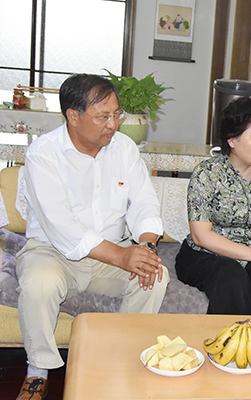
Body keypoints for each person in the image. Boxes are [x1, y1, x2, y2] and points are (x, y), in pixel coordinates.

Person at [15, 74, 169, 400]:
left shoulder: (124, 148)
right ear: (73, 116)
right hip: (53, 253)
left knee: (155, 276)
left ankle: (118, 358)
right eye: (102, 116)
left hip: (110, 255)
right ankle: (38, 371)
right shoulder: (44, 154)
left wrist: (146, 247)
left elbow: (144, 202)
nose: (113, 124)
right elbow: (61, 226)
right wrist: (123, 256)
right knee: (39, 283)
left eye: (116, 114)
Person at [175, 97, 251, 315]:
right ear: (232, 140)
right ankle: (233, 338)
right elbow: (200, 236)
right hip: (205, 254)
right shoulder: (207, 174)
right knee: (231, 276)